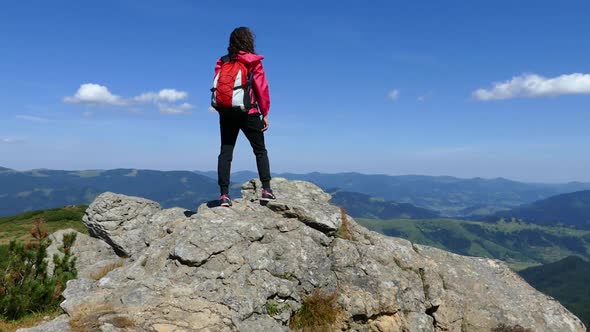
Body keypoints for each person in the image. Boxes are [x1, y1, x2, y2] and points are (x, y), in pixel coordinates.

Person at [212, 27, 275, 207]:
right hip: (250, 112)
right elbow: (261, 89)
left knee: (226, 152)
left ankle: (224, 195)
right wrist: (265, 113)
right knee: (260, 150)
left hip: (227, 112)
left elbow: (221, 90)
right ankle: (266, 190)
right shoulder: (252, 61)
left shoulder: (222, 61)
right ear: (249, 41)